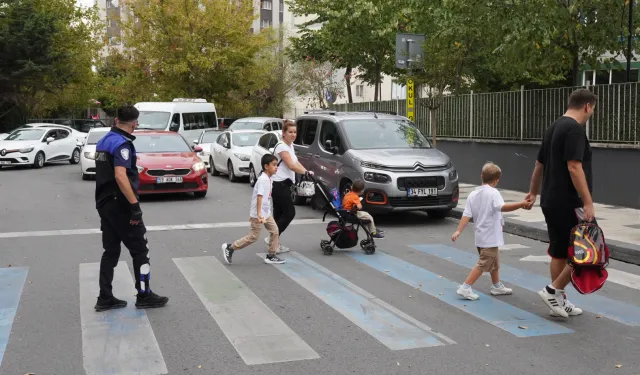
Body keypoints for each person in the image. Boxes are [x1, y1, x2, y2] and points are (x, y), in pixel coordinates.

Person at [525, 88, 598, 318]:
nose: (591, 113)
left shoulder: (553, 127)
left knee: (558, 252)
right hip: (569, 202)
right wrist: (587, 202)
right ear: (587, 106)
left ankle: (557, 299)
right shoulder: (575, 130)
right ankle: (552, 290)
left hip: (550, 199)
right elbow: (574, 167)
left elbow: (539, 165)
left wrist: (533, 193)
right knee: (589, 250)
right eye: (592, 109)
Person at [93, 105, 169, 312]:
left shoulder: (103, 141)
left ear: (116, 120)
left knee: (111, 251)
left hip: (104, 204)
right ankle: (144, 294)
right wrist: (134, 206)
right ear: (134, 123)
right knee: (140, 251)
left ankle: (105, 297)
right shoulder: (122, 145)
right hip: (121, 206)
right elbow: (120, 175)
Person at [451, 162, 531, 300]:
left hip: (480, 237)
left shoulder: (473, 194)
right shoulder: (494, 193)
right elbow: (503, 207)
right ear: (496, 180)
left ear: (481, 176)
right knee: (483, 264)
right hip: (490, 237)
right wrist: (521, 204)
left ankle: (496, 285)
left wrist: (458, 230)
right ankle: (465, 287)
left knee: (494, 262)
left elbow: (466, 214)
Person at [222, 154, 285, 264]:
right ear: (266, 166)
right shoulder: (262, 180)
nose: (276, 167)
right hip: (258, 214)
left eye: (276, 165)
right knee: (253, 237)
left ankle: (271, 255)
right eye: (274, 165)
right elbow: (259, 197)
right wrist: (259, 214)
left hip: (266, 213)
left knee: (275, 231)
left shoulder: (268, 179)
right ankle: (230, 248)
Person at [266, 119, 314, 252]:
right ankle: (272, 238)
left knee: (279, 214)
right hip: (278, 184)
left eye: (295, 132)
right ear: (283, 133)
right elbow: (291, 165)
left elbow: (296, 162)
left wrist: (307, 172)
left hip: (284, 184)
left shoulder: (289, 146)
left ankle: (275, 243)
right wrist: (304, 171)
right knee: (289, 212)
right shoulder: (281, 146)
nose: (293, 134)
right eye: (290, 132)